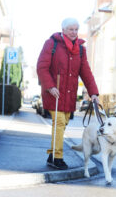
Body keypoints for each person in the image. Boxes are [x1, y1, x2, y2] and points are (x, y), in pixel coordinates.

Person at [37, 18, 99, 170]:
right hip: (55, 93)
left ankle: (52, 155)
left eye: (76, 29)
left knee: (63, 124)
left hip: (69, 95)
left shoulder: (81, 49)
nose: (74, 32)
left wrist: (94, 93)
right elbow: (41, 67)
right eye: (71, 29)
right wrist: (50, 86)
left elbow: (86, 72)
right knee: (58, 123)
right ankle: (57, 158)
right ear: (63, 29)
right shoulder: (52, 43)